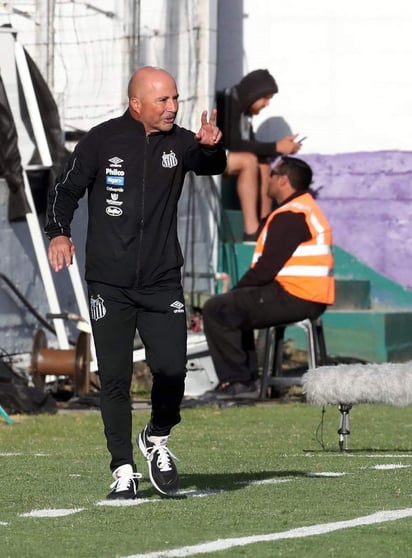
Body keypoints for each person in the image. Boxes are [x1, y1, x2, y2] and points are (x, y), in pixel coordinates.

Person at [45, 66, 226, 499]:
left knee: (172, 370)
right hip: (109, 282)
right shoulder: (102, 140)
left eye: (176, 99)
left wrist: (212, 147)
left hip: (162, 281)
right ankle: (123, 469)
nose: (173, 108)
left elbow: (209, 164)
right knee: (114, 378)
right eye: (163, 100)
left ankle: (157, 436)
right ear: (136, 104)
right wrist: (59, 232)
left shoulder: (180, 142)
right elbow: (64, 190)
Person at [202, 156, 335, 399]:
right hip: (304, 295)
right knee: (235, 307)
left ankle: (239, 382)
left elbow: (267, 268)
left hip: (297, 295)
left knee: (217, 309)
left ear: (283, 180)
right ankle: (247, 381)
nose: (269, 179)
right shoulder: (302, 208)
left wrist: (234, 293)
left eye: (273, 175)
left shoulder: (293, 214)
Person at [217, 69, 302, 241]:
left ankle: (265, 223)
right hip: (212, 158)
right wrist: (277, 147)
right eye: (266, 98)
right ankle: (251, 230)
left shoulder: (244, 113)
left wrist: (278, 147)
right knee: (249, 160)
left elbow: (251, 145)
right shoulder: (228, 102)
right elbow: (234, 144)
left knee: (262, 163)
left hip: (227, 158)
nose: (267, 103)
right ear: (253, 94)